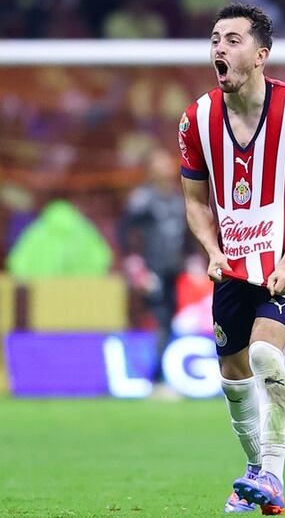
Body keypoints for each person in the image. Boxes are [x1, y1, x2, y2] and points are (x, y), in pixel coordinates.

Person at [179, 3, 285, 514]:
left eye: (233, 39)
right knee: (233, 374)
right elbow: (196, 201)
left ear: (261, 55)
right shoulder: (195, 119)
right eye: (215, 38)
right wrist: (213, 250)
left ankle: (272, 475)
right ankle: (254, 473)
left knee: (267, 354)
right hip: (235, 259)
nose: (220, 47)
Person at [118, 147, 189, 399]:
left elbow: (187, 234)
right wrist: (136, 266)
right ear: (150, 169)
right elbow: (125, 231)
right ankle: (155, 380)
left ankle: (158, 377)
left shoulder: (178, 199)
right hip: (153, 272)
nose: (166, 167)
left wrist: (192, 261)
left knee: (169, 323)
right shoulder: (143, 199)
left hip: (174, 272)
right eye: (159, 163)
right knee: (160, 321)